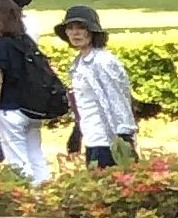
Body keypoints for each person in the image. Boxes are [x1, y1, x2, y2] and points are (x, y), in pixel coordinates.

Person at [0, 0, 56, 187]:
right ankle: (44, 190)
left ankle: (25, 197)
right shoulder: (25, 41)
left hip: (9, 109)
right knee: (35, 153)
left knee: (17, 159)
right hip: (30, 106)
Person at [56, 10, 132, 167]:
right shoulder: (79, 62)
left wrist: (123, 136)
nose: (75, 33)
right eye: (70, 28)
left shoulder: (102, 61)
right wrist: (77, 133)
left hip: (109, 140)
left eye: (81, 27)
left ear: (92, 31)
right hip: (92, 137)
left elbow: (117, 100)